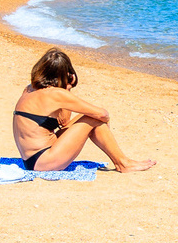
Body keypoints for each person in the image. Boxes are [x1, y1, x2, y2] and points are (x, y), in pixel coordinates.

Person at [12, 48, 156, 173]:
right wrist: (102, 124)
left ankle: (123, 161)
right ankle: (123, 163)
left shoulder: (29, 88)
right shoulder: (55, 94)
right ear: (65, 74)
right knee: (94, 117)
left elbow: (64, 122)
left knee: (88, 116)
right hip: (44, 161)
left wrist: (66, 90)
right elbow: (102, 114)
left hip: (31, 160)